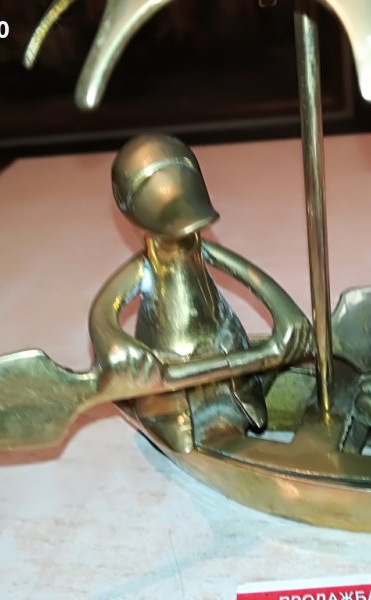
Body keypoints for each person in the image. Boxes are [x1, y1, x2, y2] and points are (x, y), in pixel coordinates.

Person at [89, 134, 312, 453]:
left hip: (225, 352)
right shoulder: (146, 268)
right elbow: (101, 315)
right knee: (176, 417)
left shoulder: (201, 250)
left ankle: (232, 415)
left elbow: (253, 277)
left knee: (240, 395)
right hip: (170, 372)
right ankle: (183, 426)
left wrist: (287, 314)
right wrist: (116, 345)